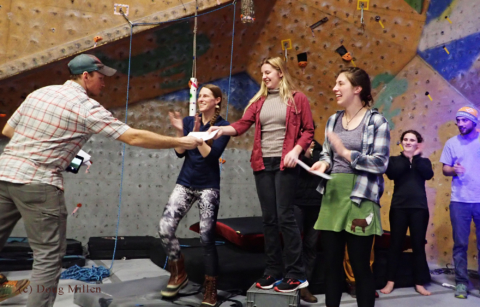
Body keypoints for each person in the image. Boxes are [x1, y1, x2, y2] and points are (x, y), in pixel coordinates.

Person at [0, 54, 201, 307]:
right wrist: (181, 141)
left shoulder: (40, 93)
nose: (104, 83)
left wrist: (51, 143)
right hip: (38, 182)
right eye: (100, 77)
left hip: (4, 173)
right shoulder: (86, 106)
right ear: (86, 76)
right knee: (48, 258)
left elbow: (9, 130)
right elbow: (134, 137)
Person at [208, 57, 314, 292]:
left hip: (286, 163)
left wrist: (296, 151)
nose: (264, 76)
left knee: (285, 216)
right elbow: (242, 125)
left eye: (268, 72)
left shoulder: (297, 99)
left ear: (280, 73)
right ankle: (273, 271)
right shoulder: (259, 102)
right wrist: (220, 129)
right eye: (263, 72)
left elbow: (308, 130)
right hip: (262, 163)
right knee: (269, 219)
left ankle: (296, 273)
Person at [310, 67, 390, 307]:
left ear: (357, 89)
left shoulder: (376, 121)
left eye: (340, 83)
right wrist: (323, 165)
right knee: (331, 265)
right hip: (333, 193)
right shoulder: (334, 119)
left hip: (361, 195)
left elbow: (380, 162)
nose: (335, 88)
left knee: (360, 266)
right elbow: (326, 154)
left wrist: (346, 153)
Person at [158, 84, 230, 307]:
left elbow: (212, 156)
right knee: (165, 227)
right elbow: (179, 152)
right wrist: (181, 131)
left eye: (206, 96)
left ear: (217, 100)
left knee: (206, 237)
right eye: (200, 96)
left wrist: (199, 138)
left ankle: (211, 288)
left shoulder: (222, 126)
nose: (201, 99)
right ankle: (178, 273)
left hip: (208, 186)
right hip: (186, 182)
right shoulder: (191, 122)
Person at [380, 130, 433, 296]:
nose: (409, 142)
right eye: (405, 139)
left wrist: (416, 157)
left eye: (412, 140)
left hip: (419, 208)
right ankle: (390, 281)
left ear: (418, 143)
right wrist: (408, 158)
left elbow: (428, 174)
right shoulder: (394, 160)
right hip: (399, 208)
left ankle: (419, 283)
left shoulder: (423, 161)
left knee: (418, 245)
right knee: (395, 244)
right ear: (401, 142)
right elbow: (393, 174)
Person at [440, 106, 480, 299]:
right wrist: (454, 170)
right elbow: (445, 169)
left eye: (464, 120)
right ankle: (462, 283)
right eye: (458, 120)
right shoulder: (451, 143)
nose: (460, 124)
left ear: (474, 121)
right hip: (460, 201)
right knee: (460, 244)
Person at [294, 137, 322, 302]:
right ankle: (292, 283)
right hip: (296, 202)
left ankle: (305, 287)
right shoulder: (293, 150)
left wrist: (310, 155)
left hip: (316, 203)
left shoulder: (321, 152)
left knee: (311, 245)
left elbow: (322, 169)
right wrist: (302, 153)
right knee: (294, 244)